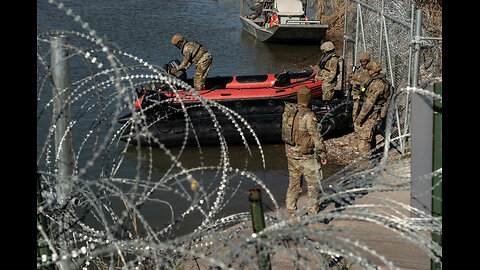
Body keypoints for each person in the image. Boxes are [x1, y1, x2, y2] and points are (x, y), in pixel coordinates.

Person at [282, 86, 328, 217]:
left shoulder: (288, 112)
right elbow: (316, 137)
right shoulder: (308, 116)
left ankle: (291, 213)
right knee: (314, 185)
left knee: (293, 185)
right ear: (309, 98)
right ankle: (312, 214)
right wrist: (322, 154)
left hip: (291, 155)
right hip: (306, 156)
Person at [353, 61, 392, 156]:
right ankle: (373, 156)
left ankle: (367, 163)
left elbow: (369, 103)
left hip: (372, 114)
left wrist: (360, 118)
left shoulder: (376, 84)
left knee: (363, 141)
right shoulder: (380, 81)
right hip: (375, 113)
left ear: (371, 71)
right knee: (371, 136)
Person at [348, 51, 371, 123]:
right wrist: (352, 80)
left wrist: (355, 78)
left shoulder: (371, 69)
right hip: (358, 94)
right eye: (361, 61)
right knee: (355, 112)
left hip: (366, 95)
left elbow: (366, 81)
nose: (363, 63)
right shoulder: (360, 69)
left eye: (365, 61)